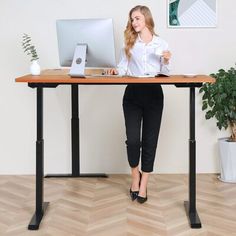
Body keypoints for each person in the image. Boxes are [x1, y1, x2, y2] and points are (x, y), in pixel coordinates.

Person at [107, 5, 171, 203]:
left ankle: (144, 184)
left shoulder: (161, 43)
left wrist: (167, 60)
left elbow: (166, 71)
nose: (134, 23)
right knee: (133, 140)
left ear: (146, 19)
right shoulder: (129, 43)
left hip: (154, 95)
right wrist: (115, 71)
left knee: (150, 141)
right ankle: (135, 175)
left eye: (137, 18)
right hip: (132, 95)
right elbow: (122, 68)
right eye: (132, 19)